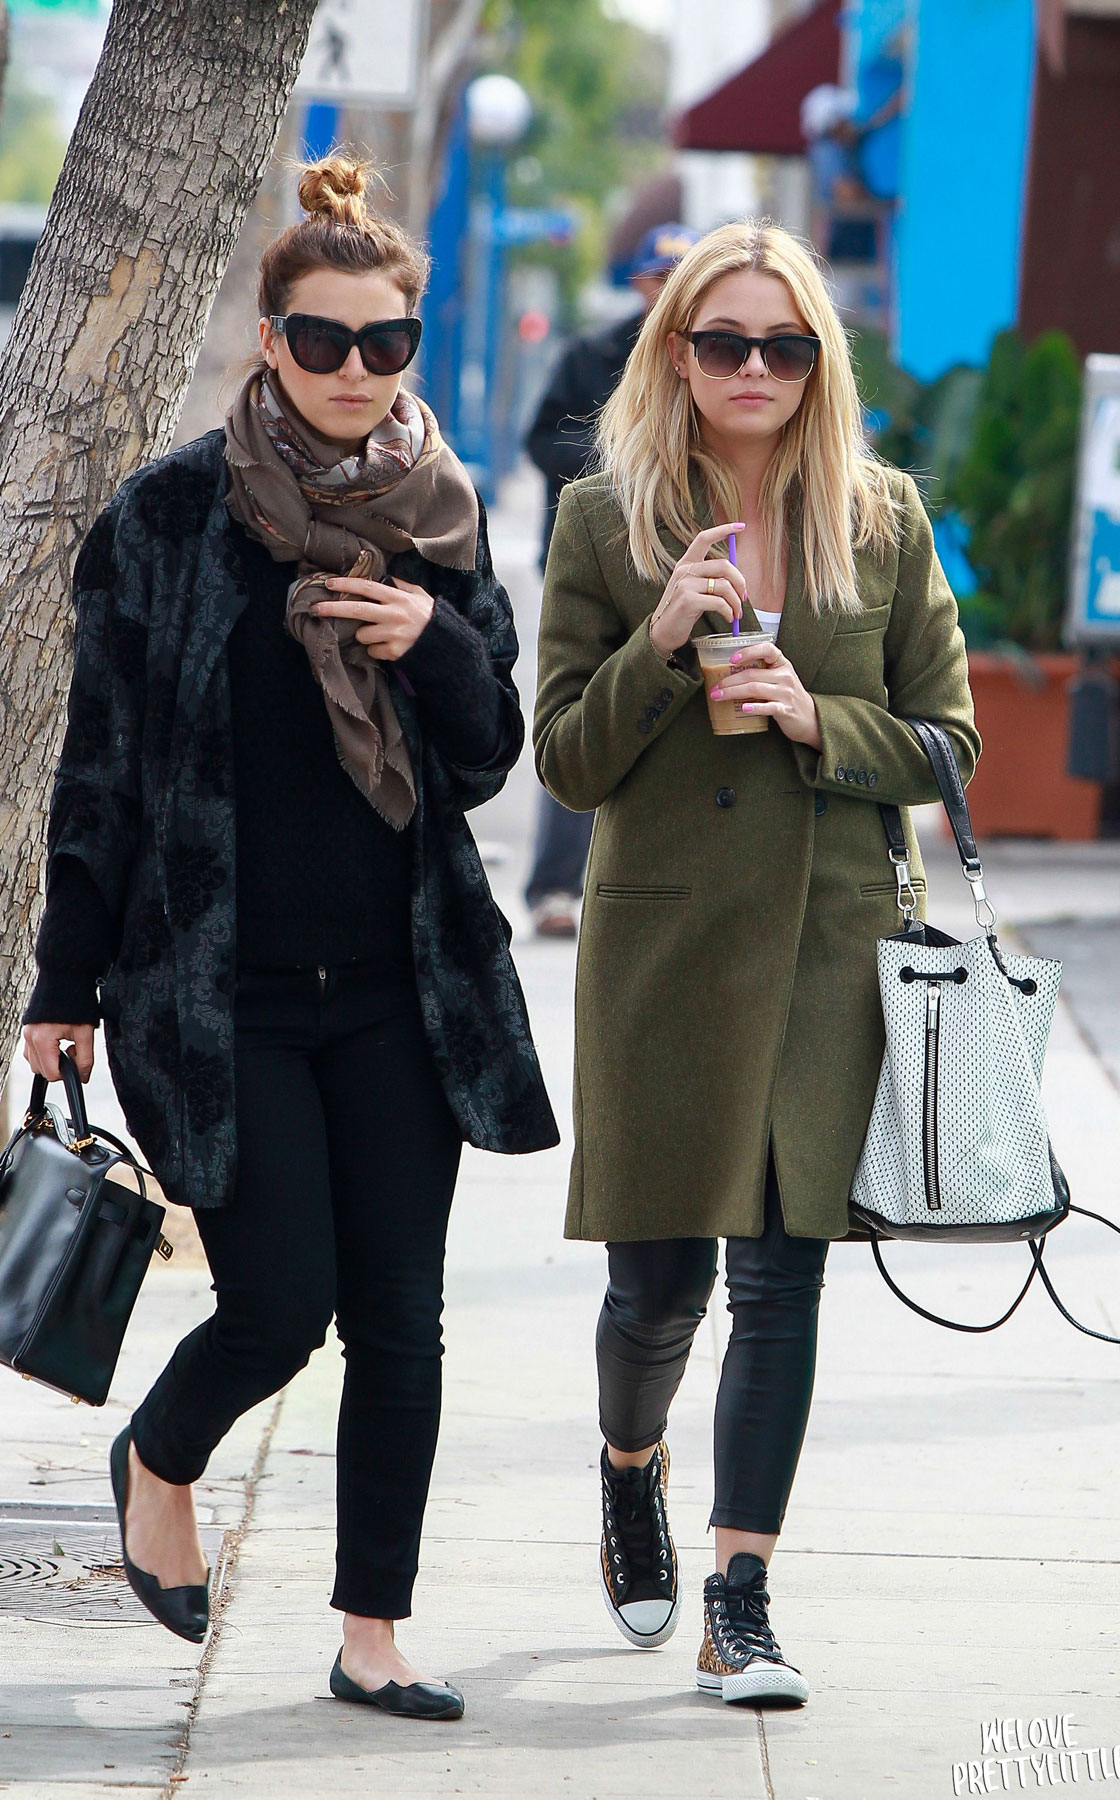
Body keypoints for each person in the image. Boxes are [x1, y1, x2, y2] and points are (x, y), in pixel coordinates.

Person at [22, 155, 557, 1721]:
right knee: (277, 1304)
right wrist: (62, 981)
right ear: (271, 339)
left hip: (403, 991)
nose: (352, 369)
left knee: (402, 1323)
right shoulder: (169, 515)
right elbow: (102, 769)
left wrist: (433, 641)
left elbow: (487, 756)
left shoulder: (441, 517)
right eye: (321, 340)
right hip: (217, 994)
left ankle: (371, 1633)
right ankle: (160, 1452)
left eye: (385, 342)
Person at [534, 220, 979, 1705]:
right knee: (659, 1292)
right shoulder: (606, 518)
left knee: (782, 1288)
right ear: (677, 351)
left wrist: (817, 721)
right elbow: (565, 760)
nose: (755, 370)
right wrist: (662, 637)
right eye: (725, 342)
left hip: (827, 951)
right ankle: (629, 1465)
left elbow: (951, 741)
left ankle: (742, 1599)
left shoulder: (881, 517)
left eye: (785, 347)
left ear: (816, 364)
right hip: (665, 952)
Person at [523, 222, 699, 938]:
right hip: (599, 562)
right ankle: (555, 887)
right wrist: (625, 466)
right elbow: (541, 441)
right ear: (641, 282)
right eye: (661, 278)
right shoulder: (592, 355)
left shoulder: (717, 360)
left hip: (685, 568)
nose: (669, 291)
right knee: (581, 716)